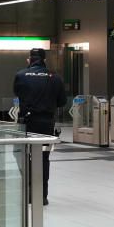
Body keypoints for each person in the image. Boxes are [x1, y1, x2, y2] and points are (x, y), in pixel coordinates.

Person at [13, 48, 67, 206]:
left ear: (29, 59)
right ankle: (41, 195)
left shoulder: (21, 75)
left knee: (21, 155)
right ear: (45, 60)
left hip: (26, 123)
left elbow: (18, 94)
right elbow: (62, 102)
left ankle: (27, 190)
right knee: (43, 158)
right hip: (46, 123)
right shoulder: (55, 77)